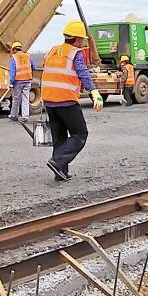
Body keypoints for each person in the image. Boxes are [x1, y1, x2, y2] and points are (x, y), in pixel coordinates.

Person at [42, 20, 104, 181]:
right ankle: (58, 162)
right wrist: (94, 91)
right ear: (77, 39)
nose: (83, 43)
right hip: (66, 100)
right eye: (82, 40)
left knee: (59, 137)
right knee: (80, 133)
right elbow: (82, 73)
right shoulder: (75, 53)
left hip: (49, 100)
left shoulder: (53, 51)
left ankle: (60, 172)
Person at [8, 41, 32, 122]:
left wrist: (11, 82)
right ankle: (25, 116)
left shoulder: (13, 58)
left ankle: (14, 115)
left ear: (14, 49)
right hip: (28, 80)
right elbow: (34, 66)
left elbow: (12, 72)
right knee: (26, 98)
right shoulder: (28, 56)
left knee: (16, 99)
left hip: (18, 81)